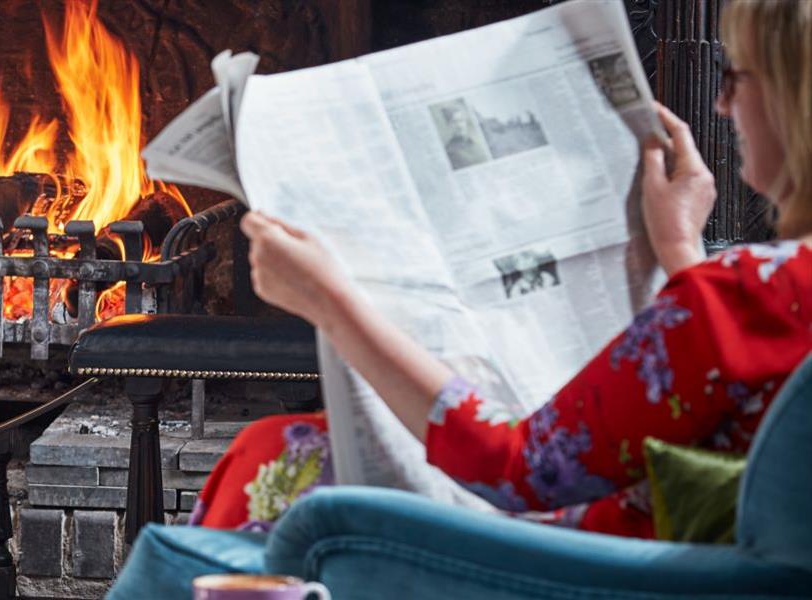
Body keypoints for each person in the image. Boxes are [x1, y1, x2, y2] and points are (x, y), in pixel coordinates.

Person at [191, 0, 812, 539]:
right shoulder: (770, 294)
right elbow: (721, 385)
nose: (723, 104)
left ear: (796, 98)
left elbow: (518, 470)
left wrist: (331, 302)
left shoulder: (755, 294)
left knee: (270, 458)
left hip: (604, 566)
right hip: (697, 546)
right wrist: (679, 249)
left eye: (738, 76)